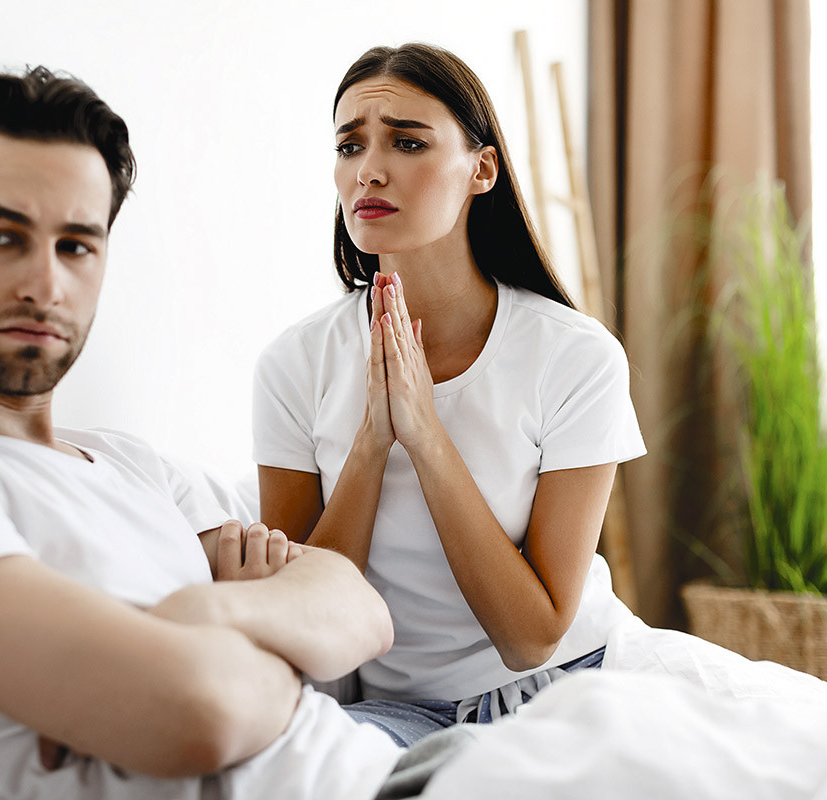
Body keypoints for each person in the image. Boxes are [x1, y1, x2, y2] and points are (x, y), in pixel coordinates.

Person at [0, 65, 424, 800]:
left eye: (76, 245)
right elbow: (198, 713)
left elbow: (359, 610)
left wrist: (197, 612)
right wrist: (258, 641)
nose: (45, 285)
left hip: (400, 767)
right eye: (1, 237)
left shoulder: (125, 462)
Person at [253, 42, 647, 745]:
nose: (369, 170)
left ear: (481, 169)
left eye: (407, 142)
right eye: (349, 145)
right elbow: (305, 620)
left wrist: (426, 434)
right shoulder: (294, 364)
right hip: (397, 711)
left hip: (566, 685)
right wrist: (372, 443)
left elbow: (531, 638)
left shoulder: (577, 357)